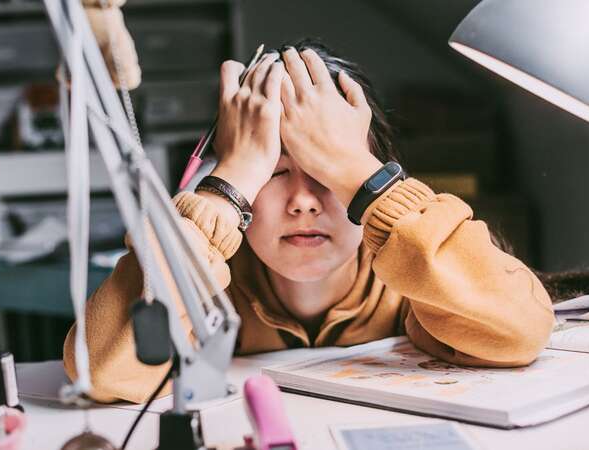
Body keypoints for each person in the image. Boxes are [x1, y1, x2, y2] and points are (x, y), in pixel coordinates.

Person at [63, 39, 555, 403]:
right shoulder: (208, 285)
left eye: (329, 175)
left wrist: (364, 177)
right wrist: (227, 182)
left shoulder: (414, 274)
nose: (303, 202)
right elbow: (108, 371)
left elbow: (520, 333)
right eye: (273, 172)